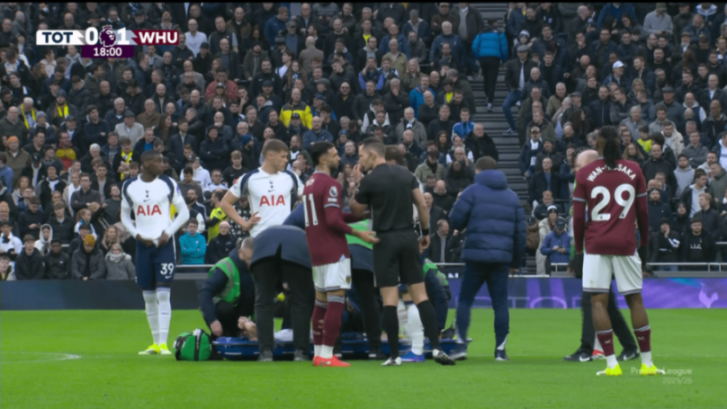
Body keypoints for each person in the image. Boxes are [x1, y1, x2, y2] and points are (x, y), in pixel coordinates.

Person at [350, 138, 455, 366]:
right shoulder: (407, 175)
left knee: (389, 298)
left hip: (384, 239)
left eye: (360, 156)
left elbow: (355, 210)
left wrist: (358, 184)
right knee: (421, 295)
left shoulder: (370, 180)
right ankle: (436, 349)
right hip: (408, 237)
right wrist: (425, 232)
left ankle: (394, 355)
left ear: (372, 154)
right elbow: (422, 206)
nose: (359, 161)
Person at [572, 126, 664, 376]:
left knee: (598, 303)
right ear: (622, 143)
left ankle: (612, 365)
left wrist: (578, 251)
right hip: (626, 244)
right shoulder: (634, 169)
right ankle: (647, 364)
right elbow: (643, 213)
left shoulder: (585, 174)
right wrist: (644, 244)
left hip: (595, 245)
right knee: (635, 299)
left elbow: (578, 218)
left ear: (597, 146)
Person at [303, 142, 377, 367]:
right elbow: (333, 221)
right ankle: (327, 355)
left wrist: (360, 215)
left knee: (321, 303)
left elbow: (332, 215)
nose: (339, 159)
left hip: (316, 250)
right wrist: (359, 234)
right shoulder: (331, 184)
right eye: (335, 155)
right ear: (323, 159)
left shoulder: (309, 183)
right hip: (334, 251)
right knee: (336, 302)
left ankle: (318, 353)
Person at [448, 156, 525, 361]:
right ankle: (500, 351)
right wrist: (516, 263)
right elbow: (520, 234)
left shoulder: (471, 192)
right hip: (501, 259)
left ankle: (461, 346)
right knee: (500, 304)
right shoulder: (512, 197)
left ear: (478, 171)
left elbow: (455, 220)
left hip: (475, 255)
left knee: (465, 300)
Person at [120, 151, 190, 356]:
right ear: (145, 163)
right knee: (148, 296)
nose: (163, 164)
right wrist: (136, 234)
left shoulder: (168, 183)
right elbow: (124, 215)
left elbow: (184, 212)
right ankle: (154, 342)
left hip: (164, 245)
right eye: (159, 161)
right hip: (143, 245)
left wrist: (168, 233)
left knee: (162, 293)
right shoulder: (129, 186)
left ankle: (163, 343)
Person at [249, 224, 315, 362]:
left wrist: (281, 285)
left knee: (263, 303)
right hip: (298, 250)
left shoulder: (265, 233)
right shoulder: (303, 234)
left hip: (263, 250)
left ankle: (265, 353)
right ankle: (300, 352)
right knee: (301, 302)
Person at [220, 140, 301, 238]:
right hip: (260, 237)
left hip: (286, 236)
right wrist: (244, 223)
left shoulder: (291, 177)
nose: (286, 160)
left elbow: (308, 200)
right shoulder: (249, 178)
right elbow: (225, 203)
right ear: (270, 156)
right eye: (283, 156)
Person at [198, 238, 257, 340]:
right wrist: (213, 320)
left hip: (244, 316)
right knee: (224, 308)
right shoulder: (226, 266)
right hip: (223, 314)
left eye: (254, 258)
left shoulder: (259, 267)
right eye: (249, 258)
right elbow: (205, 293)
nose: (252, 262)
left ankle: (244, 332)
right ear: (240, 253)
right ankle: (222, 335)